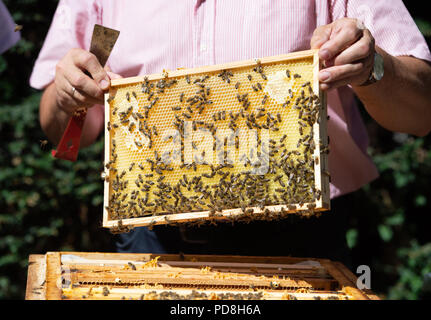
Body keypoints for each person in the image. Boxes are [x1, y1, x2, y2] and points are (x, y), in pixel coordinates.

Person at [30, 0, 431, 265]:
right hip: (151, 243)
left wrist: (373, 67)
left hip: (300, 241)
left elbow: (423, 111)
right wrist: (66, 97)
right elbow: (64, 136)